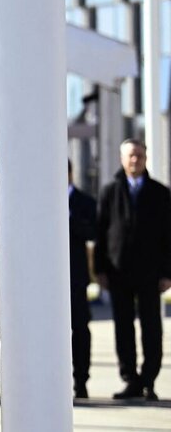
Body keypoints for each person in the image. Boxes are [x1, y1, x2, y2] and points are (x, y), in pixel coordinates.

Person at [95, 138, 171, 401]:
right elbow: (101, 232)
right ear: (122, 159)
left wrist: (167, 272)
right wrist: (100, 269)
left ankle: (149, 380)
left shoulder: (160, 193)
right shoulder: (110, 192)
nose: (135, 160)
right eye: (131, 155)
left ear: (145, 158)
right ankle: (130, 380)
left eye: (139, 155)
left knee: (152, 328)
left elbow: (168, 235)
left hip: (151, 273)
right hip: (118, 271)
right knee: (123, 328)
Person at [67, 160, 96, 399]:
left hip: (76, 278)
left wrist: (67, 217)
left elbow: (92, 232)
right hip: (46, 283)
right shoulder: (39, 202)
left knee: (80, 329)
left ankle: (81, 380)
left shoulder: (84, 201)